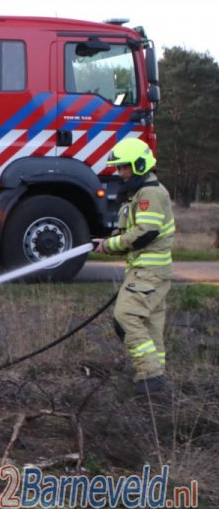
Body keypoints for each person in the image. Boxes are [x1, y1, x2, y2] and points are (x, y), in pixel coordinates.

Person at [93, 138, 175, 396]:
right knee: (150, 325)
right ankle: (156, 381)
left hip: (148, 272)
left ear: (140, 165)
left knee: (126, 316)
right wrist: (106, 242)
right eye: (119, 168)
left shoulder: (151, 193)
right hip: (151, 272)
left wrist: (109, 245)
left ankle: (150, 377)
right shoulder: (143, 192)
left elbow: (145, 234)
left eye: (125, 167)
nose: (121, 173)